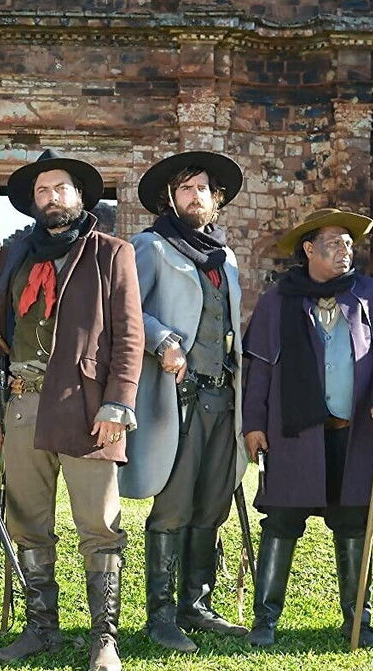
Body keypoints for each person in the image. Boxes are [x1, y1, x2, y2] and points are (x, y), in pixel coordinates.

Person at [0, 149, 144, 671]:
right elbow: (0, 330)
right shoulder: (15, 254)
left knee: (98, 524)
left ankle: (104, 639)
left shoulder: (112, 252)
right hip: (23, 401)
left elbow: (130, 336)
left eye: (59, 188)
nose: (50, 198)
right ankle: (41, 630)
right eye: (41, 191)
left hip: (88, 406)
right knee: (28, 521)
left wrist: (119, 402)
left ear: (80, 195)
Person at [241, 208, 373, 649]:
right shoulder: (277, 300)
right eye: (334, 242)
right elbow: (260, 368)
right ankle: (265, 620)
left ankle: (358, 620)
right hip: (292, 434)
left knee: (355, 523)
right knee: (281, 520)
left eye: (348, 242)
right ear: (308, 249)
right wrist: (253, 424)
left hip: (354, 432)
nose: (345, 249)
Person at [121, 151, 249, 652]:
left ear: (216, 199)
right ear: (170, 199)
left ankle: (195, 605)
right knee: (173, 505)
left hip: (224, 395)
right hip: (177, 396)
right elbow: (125, 309)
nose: (196, 196)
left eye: (203, 189)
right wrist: (162, 342)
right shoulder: (150, 247)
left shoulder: (225, 257)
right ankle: (160, 616)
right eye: (186, 189)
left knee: (212, 501)